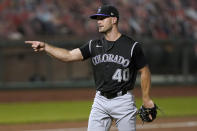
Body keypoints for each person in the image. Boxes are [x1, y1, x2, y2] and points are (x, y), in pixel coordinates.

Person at [25, 5, 155, 131]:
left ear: (114, 20)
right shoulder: (93, 45)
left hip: (123, 101)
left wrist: (146, 98)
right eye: (97, 19)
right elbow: (68, 56)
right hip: (100, 101)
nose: (98, 22)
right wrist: (46, 47)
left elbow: (144, 71)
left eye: (102, 18)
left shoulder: (131, 46)